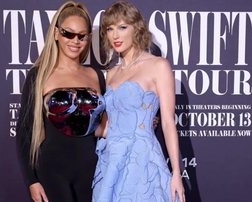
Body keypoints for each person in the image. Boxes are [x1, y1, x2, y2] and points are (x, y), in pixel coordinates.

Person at [92, 1, 185, 202]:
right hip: (111, 162)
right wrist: (80, 124)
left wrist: (176, 172)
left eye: (122, 27)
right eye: (110, 29)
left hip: (141, 161)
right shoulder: (111, 74)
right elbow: (108, 127)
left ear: (137, 28)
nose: (115, 35)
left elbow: (168, 122)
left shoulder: (158, 66)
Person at [16, 1, 106, 202]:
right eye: (68, 33)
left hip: (92, 171)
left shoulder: (95, 75)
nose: (75, 41)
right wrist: (32, 180)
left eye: (82, 36)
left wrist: (142, 121)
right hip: (51, 173)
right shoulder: (39, 75)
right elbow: (24, 133)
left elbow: (106, 125)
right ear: (56, 33)